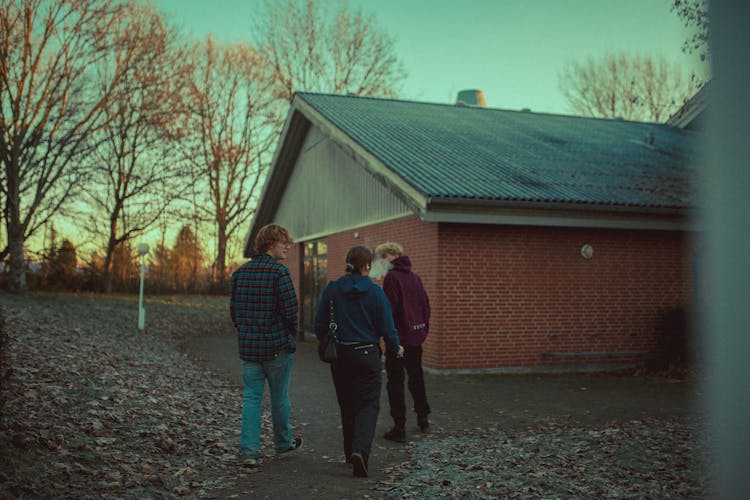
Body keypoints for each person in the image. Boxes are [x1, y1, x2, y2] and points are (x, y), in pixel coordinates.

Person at [314, 245, 404, 478]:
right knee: (368, 404)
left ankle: (349, 452)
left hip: (340, 356)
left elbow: (319, 325)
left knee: (347, 403)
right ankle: (360, 451)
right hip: (367, 355)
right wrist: (395, 347)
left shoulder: (332, 289)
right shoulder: (375, 292)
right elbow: (387, 325)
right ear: (367, 266)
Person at [230, 223, 303, 467]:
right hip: (276, 348)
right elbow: (291, 312)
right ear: (271, 243)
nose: (288, 247)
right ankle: (283, 443)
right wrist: (289, 337)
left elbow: (235, 313)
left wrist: (248, 332)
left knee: (251, 398)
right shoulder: (279, 273)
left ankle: (249, 452)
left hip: (249, 349)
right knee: (279, 396)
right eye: (284, 242)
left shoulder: (240, 273)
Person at [374, 241, 431, 443]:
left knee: (395, 383)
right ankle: (423, 418)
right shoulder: (415, 278)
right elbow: (426, 306)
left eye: (381, 258)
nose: (379, 262)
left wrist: (386, 335)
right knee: (417, 378)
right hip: (416, 338)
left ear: (389, 256)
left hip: (398, 340)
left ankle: (399, 427)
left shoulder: (392, 278)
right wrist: (423, 330)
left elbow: (389, 310)